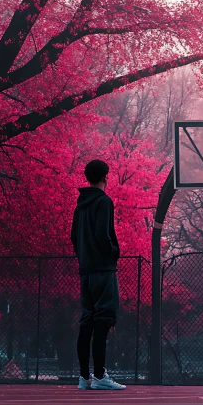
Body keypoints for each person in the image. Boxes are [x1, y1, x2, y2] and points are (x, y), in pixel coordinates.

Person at [71, 159, 126, 391]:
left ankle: (84, 377)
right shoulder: (103, 201)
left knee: (87, 321)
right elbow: (104, 234)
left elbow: (74, 236)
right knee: (103, 320)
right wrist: (114, 252)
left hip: (86, 270)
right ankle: (101, 374)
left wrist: (84, 258)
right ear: (106, 176)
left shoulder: (80, 205)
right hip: (103, 268)